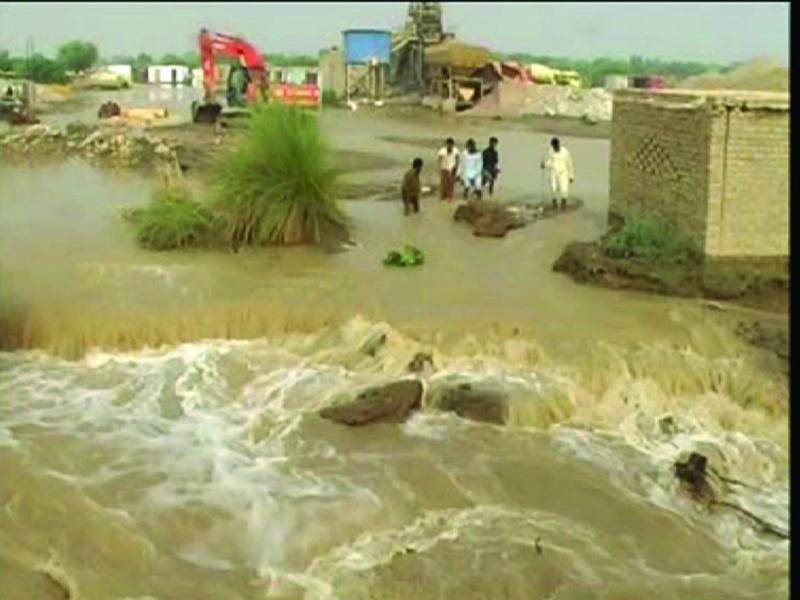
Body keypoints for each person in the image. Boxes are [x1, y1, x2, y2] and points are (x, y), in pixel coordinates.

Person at [540, 137, 574, 211]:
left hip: (563, 173)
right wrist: (544, 165)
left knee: (564, 190)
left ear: (558, 144)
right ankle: (555, 206)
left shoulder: (565, 152)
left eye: (555, 146)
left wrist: (571, 175)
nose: (554, 148)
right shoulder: (551, 151)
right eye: (553, 146)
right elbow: (550, 162)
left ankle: (563, 207)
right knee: (553, 189)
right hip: (553, 173)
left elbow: (569, 163)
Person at [436, 137, 459, 202]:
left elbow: (457, 159)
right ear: (446, 144)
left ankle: (450, 197)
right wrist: (439, 168)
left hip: (452, 168)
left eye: (451, 144)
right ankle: (442, 196)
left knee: (451, 183)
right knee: (443, 183)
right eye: (448, 144)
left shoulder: (455, 150)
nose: (449, 146)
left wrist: (456, 167)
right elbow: (439, 159)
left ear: (453, 145)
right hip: (444, 168)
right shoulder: (442, 151)